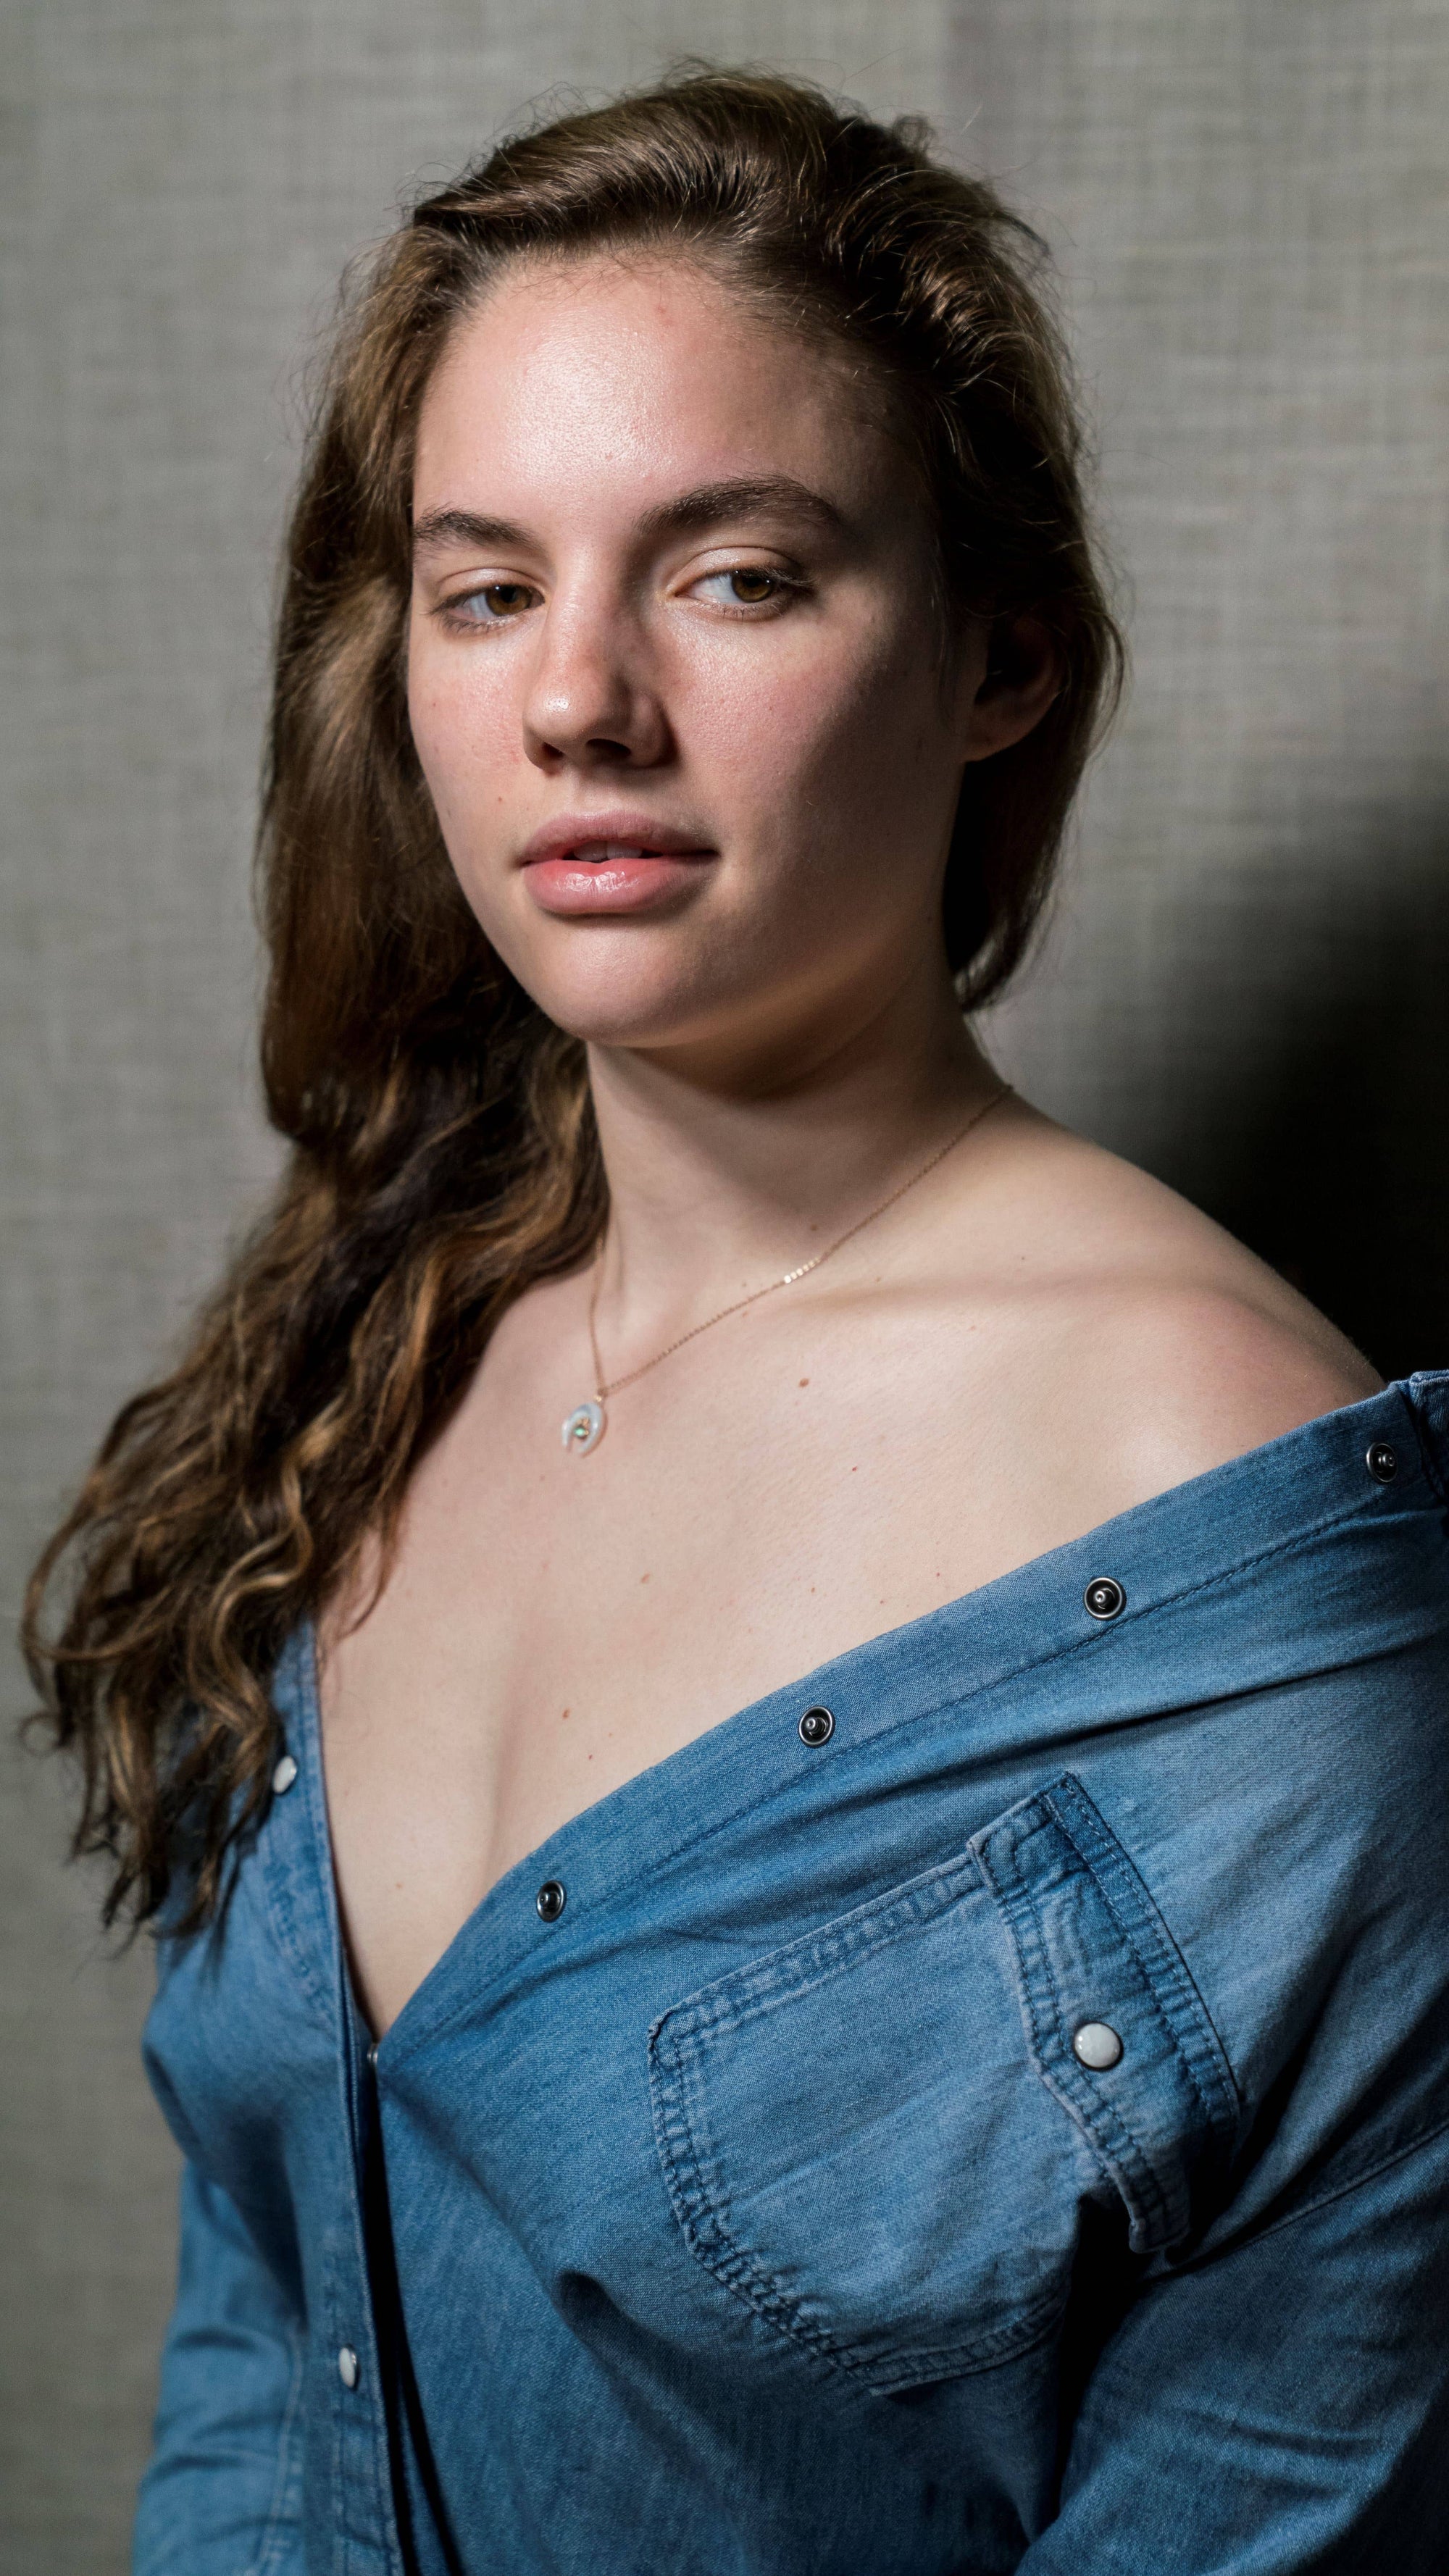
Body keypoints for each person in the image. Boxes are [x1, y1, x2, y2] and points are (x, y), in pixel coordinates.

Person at [25, 66, 1449, 2576]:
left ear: (999, 658)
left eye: (738, 575)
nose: (579, 698)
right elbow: (271, 2311)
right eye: (487, 589)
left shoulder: (1253, 1587)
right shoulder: (385, 1332)